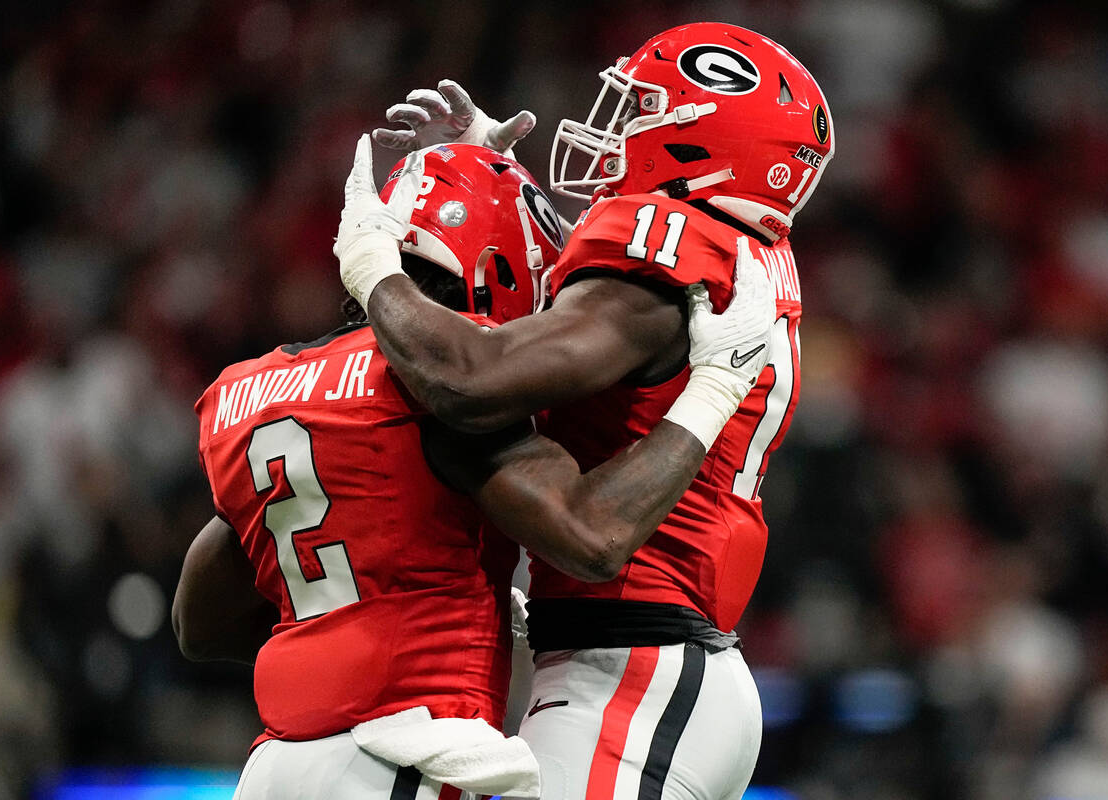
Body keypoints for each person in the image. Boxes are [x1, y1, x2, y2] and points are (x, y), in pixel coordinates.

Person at [174, 142, 775, 800]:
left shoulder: (257, 388)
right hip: (402, 756)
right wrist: (714, 390)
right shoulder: (432, 395)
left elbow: (197, 621)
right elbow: (593, 535)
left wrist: (332, 646)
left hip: (274, 767)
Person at [335, 22, 833, 799]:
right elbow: (601, 336)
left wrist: (377, 261)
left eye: (641, 109)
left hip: (631, 673)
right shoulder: (729, 252)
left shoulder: (666, 242)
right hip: (657, 668)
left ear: (707, 142)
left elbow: (470, 378)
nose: (615, 127)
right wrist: (486, 177)